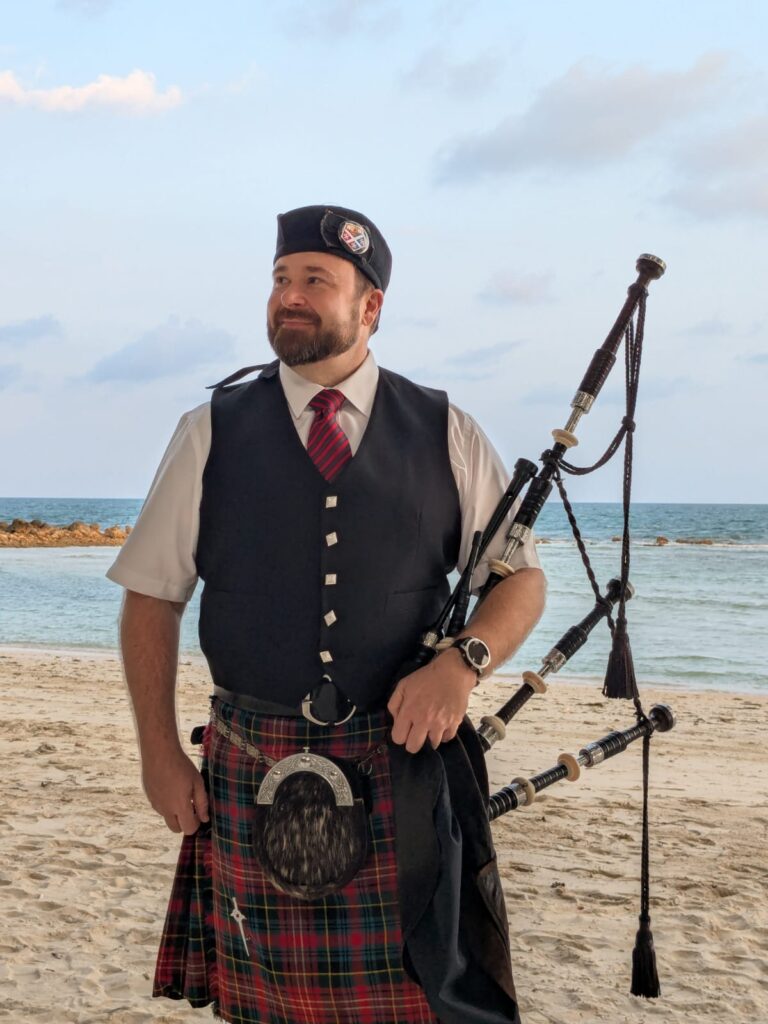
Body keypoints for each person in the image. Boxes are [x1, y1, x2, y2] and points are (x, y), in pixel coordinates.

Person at [107, 204, 546, 1024]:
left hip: (403, 771)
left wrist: (463, 662)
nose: (290, 297)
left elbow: (519, 582)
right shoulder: (210, 432)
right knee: (265, 1008)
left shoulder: (444, 429)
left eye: (316, 281)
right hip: (251, 762)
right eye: (281, 280)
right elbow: (151, 598)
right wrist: (159, 752)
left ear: (369, 306)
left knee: (424, 998)